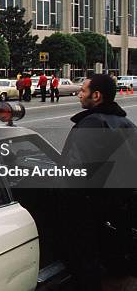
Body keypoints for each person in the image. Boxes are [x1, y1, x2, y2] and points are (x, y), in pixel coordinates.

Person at [59, 74, 137, 291]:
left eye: (82, 91)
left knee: (84, 257)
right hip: (119, 205)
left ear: (96, 95)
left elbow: (73, 171)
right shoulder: (126, 123)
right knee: (115, 252)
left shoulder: (91, 124)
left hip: (91, 207)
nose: (79, 94)